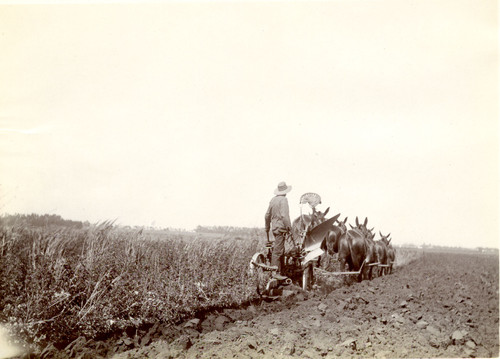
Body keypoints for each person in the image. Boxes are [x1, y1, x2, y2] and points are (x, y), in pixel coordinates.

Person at [264, 181, 292, 279]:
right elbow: (284, 216)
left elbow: (267, 215)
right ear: (285, 191)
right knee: (278, 251)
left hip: (274, 228)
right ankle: (275, 272)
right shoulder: (284, 200)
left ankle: (281, 270)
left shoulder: (273, 200)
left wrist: (267, 227)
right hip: (281, 228)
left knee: (280, 249)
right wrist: (289, 227)